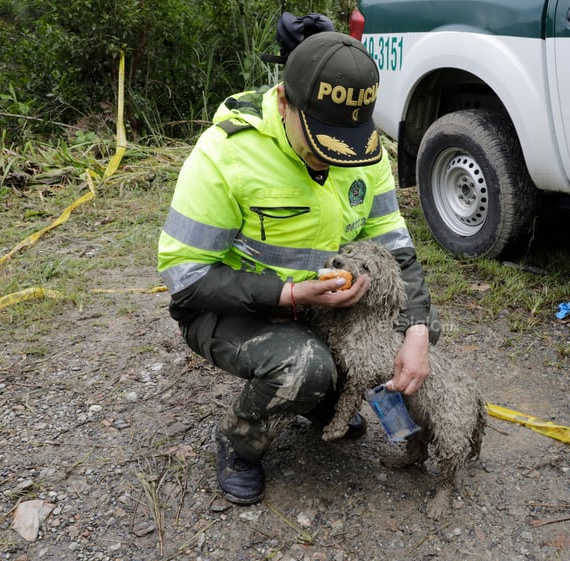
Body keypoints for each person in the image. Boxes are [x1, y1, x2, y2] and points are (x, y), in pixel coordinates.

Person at [157, 28, 439, 506]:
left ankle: (322, 400)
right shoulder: (225, 153)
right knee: (304, 367)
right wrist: (288, 294)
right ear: (284, 101)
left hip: (321, 307)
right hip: (230, 308)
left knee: (407, 335)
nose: (331, 157)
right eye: (319, 141)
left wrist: (418, 333)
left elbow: (398, 252)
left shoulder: (364, 152)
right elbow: (185, 279)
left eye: (343, 141)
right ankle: (239, 443)